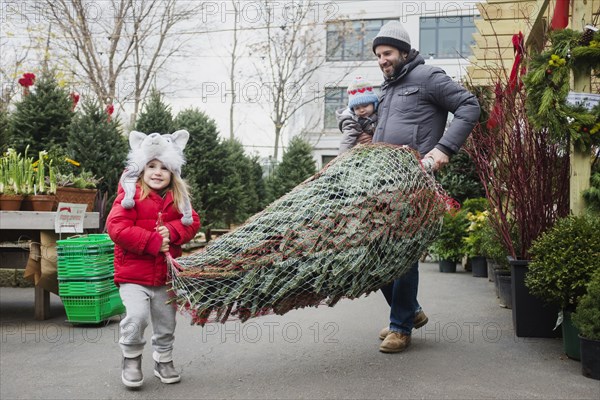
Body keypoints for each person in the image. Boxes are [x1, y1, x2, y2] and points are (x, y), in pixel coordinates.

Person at [371, 20, 480, 353]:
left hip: (417, 178)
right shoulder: (387, 88)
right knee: (374, 251)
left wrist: (444, 148)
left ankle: (400, 327)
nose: (382, 60)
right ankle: (412, 311)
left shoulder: (429, 77)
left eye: (387, 53)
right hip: (383, 180)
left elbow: (469, 106)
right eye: (377, 55)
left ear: (404, 51)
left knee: (403, 251)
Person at [106, 130, 201, 388]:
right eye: (151, 166)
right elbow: (117, 229)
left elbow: (192, 224)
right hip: (133, 275)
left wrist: (172, 231)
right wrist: (154, 241)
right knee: (136, 317)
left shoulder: (178, 199)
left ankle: (163, 359)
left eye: (164, 167)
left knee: (166, 322)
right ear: (141, 168)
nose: (157, 172)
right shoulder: (129, 197)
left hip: (164, 277)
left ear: (173, 173)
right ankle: (131, 358)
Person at [336, 76, 379, 154]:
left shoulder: (381, 116)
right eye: (357, 108)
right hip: (359, 154)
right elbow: (347, 141)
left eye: (365, 105)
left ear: (374, 104)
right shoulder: (352, 122)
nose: (362, 110)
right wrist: (342, 157)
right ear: (352, 110)